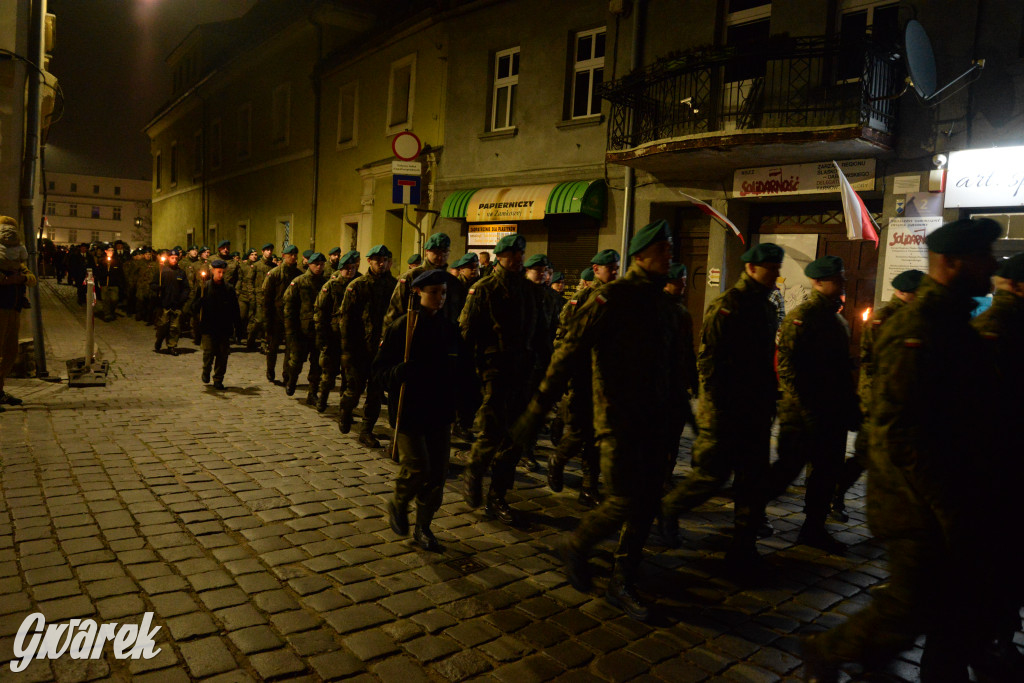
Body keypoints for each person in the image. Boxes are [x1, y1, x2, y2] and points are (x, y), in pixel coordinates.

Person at [802, 217, 1001, 683]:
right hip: (911, 499)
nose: (992, 264)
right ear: (952, 263)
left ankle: (874, 665)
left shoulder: (951, 322)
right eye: (982, 255)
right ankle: (829, 649)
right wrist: (946, 505)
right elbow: (901, 432)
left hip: (939, 493)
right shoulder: (919, 327)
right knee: (909, 602)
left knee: (931, 600)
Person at [514, 220, 687, 621]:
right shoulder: (613, 298)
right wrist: (538, 409)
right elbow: (569, 352)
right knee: (625, 499)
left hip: (656, 421)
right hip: (619, 417)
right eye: (663, 250)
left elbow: (674, 369)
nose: (669, 257)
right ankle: (579, 544)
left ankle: (621, 581)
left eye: (670, 250)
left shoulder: (668, 308)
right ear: (641, 256)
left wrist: (682, 411)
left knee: (644, 505)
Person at [660, 242, 784, 565]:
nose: (775, 273)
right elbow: (709, 363)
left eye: (777, 267)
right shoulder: (727, 306)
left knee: (752, 479)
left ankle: (743, 548)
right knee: (712, 475)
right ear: (750, 268)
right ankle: (669, 508)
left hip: (756, 411)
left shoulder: (768, 308)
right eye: (770, 268)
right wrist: (716, 410)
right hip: (726, 410)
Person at [761, 255, 859, 554]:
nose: (842, 282)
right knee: (786, 470)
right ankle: (750, 516)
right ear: (818, 282)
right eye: (836, 278)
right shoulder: (801, 317)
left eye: (842, 276)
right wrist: (806, 407)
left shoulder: (837, 318)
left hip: (832, 412)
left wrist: (849, 407)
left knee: (826, 472)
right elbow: (788, 368)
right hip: (804, 412)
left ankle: (813, 528)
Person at [375, 269, 472, 551]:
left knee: (437, 474)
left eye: (443, 292)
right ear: (418, 294)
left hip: (439, 411)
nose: (440, 298)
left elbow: (463, 371)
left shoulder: (449, 329)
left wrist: (466, 403)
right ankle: (399, 502)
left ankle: (423, 526)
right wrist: (397, 373)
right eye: (433, 292)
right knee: (417, 467)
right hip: (410, 411)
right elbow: (379, 371)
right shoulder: (402, 329)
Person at [459, 234, 546, 526]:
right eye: (512, 254)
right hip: (493, 369)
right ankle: (475, 466)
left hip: (523, 371)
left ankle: (498, 496)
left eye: (521, 253)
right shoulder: (483, 289)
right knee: (492, 431)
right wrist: (466, 373)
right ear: (500, 256)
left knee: (516, 437)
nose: (518, 258)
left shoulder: (529, 290)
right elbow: (466, 333)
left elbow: (540, 331)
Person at [969, 251, 1024, 676]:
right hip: (995, 473)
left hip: (1007, 470)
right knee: (997, 563)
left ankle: (998, 636)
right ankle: (988, 641)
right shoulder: (992, 331)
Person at [832, 268, 924, 522]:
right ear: (905, 292)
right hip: (880, 401)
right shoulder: (884, 319)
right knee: (864, 454)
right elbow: (870, 363)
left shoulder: (915, 318)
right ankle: (835, 495)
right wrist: (873, 400)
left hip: (904, 402)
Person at [547, 249, 620, 507]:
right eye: (609, 267)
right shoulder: (583, 299)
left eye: (616, 267)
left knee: (598, 437)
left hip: (608, 381)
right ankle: (558, 459)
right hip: (583, 377)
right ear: (596, 269)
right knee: (579, 433)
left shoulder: (619, 297)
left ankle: (589, 487)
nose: (614, 272)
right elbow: (564, 336)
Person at [337, 245, 397, 445]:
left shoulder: (394, 286)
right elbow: (345, 320)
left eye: (386, 260)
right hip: (359, 348)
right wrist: (347, 351)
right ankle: (345, 411)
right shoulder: (358, 285)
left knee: (375, 392)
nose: (382, 264)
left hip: (382, 349)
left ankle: (366, 430)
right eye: (378, 260)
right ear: (370, 261)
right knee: (354, 390)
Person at [315, 250, 361, 416]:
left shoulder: (358, 284)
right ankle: (323, 398)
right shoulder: (331, 285)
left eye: (353, 268)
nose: (350, 271)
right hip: (333, 336)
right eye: (347, 268)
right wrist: (322, 335)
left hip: (351, 337)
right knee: (329, 371)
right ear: (340, 269)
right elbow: (320, 312)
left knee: (349, 375)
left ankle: (345, 407)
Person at [385, 233, 464, 329]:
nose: (441, 256)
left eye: (445, 252)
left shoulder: (452, 281)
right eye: (436, 252)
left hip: (443, 336)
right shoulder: (412, 276)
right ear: (427, 251)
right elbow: (395, 310)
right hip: (415, 332)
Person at [0, 216, 37, 411]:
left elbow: (31, 278)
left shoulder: (15, 258)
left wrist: (19, 277)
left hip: (13, 307)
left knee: (10, 351)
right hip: (1, 306)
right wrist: (10, 279)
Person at [188, 259, 240, 390]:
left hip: (224, 327)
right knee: (208, 353)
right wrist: (201, 301)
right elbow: (193, 307)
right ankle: (206, 370)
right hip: (208, 327)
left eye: (223, 272)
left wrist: (237, 327)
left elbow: (235, 309)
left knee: (223, 356)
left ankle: (218, 379)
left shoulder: (228, 289)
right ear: (212, 272)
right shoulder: (204, 287)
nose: (221, 275)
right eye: (218, 272)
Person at [283, 252, 328, 402]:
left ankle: (312, 392)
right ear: (309, 264)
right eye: (316, 264)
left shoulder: (326, 283)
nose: (319, 267)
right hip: (301, 330)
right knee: (296, 361)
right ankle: (292, 381)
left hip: (319, 330)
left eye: (322, 265)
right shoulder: (299, 282)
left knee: (317, 364)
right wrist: (290, 331)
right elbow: (289, 307)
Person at [263, 245, 301, 383]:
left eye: (295, 254)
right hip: (276, 316)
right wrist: (267, 319)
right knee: (273, 346)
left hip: (291, 316)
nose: (293, 257)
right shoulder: (274, 273)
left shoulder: (298, 274)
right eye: (290, 254)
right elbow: (267, 299)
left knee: (290, 348)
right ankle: (270, 369)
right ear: (284, 255)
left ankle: (286, 373)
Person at [151, 248, 191, 356]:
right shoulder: (161, 271)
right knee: (163, 325)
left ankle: (172, 346)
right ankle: (159, 339)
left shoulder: (181, 273)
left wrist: (182, 298)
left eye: (176, 258)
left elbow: (186, 288)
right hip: (164, 303)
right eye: (172, 258)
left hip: (176, 304)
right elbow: (153, 284)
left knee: (175, 327)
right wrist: (158, 288)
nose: (174, 260)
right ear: (168, 258)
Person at [248, 243, 276, 351]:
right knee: (258, 321)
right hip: (258, 297)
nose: (269, 252)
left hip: (269, 298)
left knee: (268, 323)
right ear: (262, 251)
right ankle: (251, 340)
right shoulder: (256, 266)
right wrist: (252, 296)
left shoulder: (273, 267)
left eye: (271, 250)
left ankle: (265, 344)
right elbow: (249, 281)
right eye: (267, 250)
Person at [94, 243, 127, 322]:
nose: (111, 252)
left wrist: (121, 282)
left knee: (114, 299)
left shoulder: (117, 261)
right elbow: (98, 272)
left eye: (112, 250)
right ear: (106, 251)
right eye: (109, 250)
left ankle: (112, 311)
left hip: (114, 284)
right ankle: (107, 314)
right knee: (105, 299)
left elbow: (120, 273)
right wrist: (104, 275)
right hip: (105, 283)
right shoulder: (102, 261)